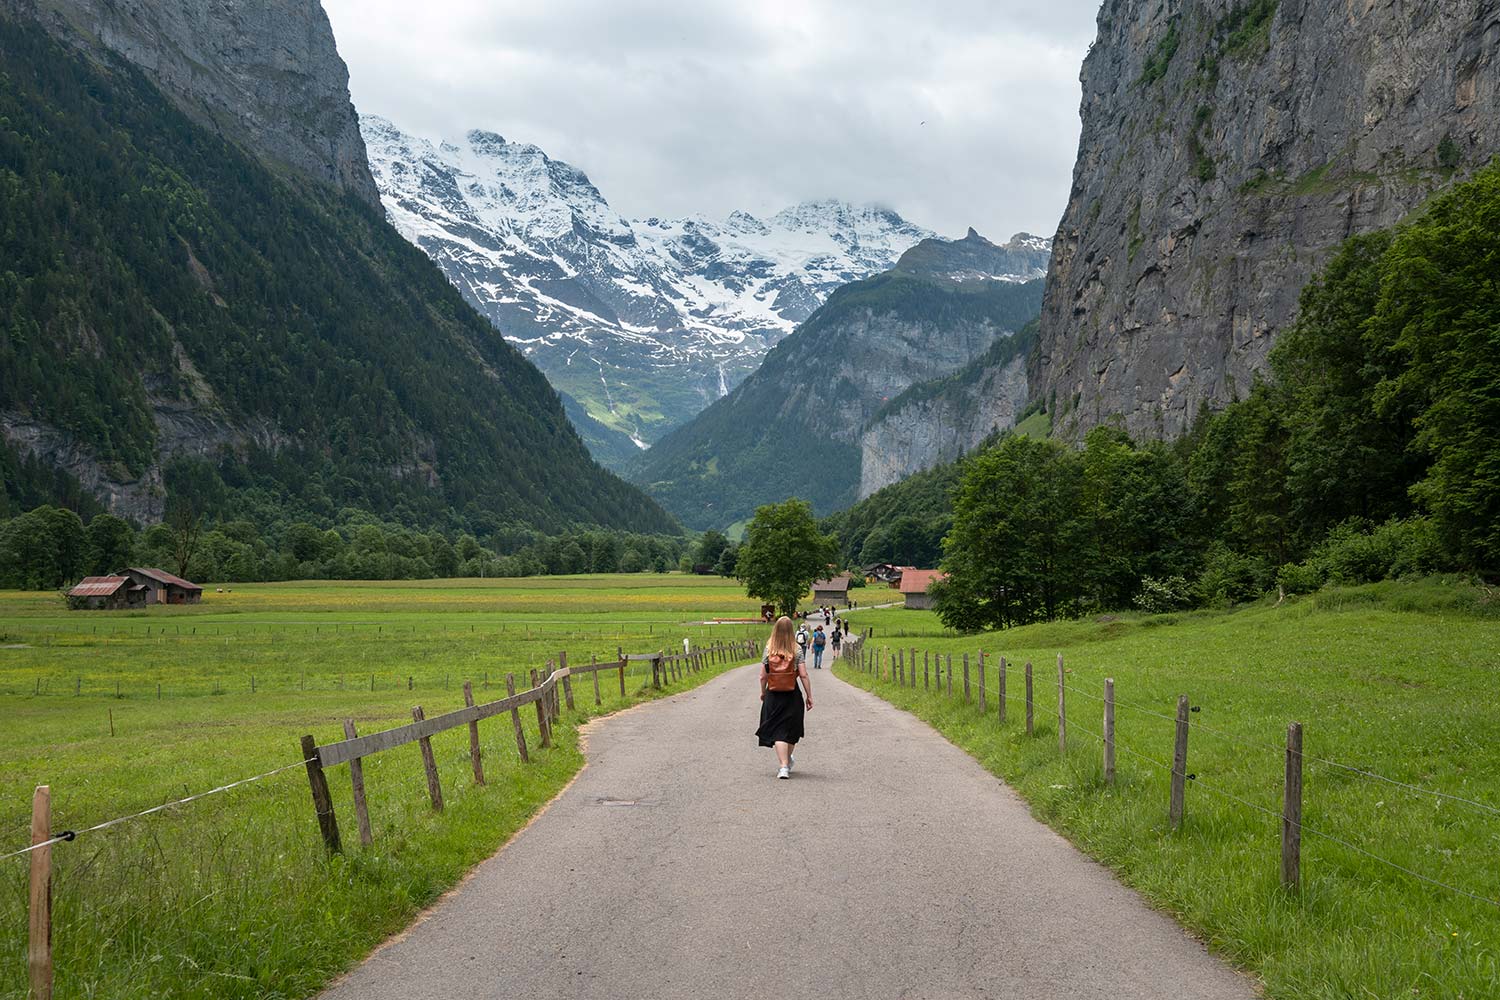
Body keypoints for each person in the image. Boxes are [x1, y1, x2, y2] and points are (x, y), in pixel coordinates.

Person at [757, 616, 811, 779]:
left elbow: (762, 676)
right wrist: (809, 695)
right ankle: (785, 764)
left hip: (773, 694)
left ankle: (784, 765)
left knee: (778, 731)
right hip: (792, 694)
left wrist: (763, 692)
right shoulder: (797, 650)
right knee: (791, 730)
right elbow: (803, 674)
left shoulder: (769, 649)